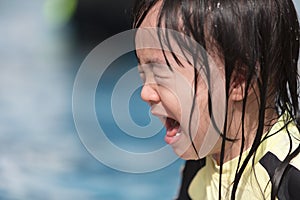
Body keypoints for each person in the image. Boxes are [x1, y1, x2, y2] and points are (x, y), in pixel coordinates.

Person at [133, 0, 300, 199]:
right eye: (143, 73)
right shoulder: (199, 167)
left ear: (237, 80)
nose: (145, 93)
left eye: (161, 74)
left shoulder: (289, 179)